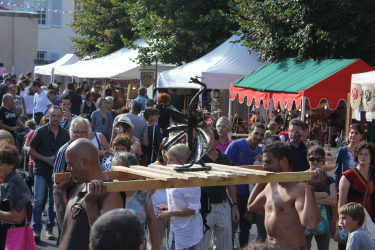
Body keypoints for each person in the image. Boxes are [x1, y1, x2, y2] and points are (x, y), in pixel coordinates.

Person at [248, 141, 327, 249]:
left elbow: (311, 225)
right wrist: (262, 179)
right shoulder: (271, 185)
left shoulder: (298, 188)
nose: (264, 166)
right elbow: (251, 206)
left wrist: (310, 188)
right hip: (271, 247)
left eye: (268, 162)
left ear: (284, 161)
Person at [54, 138, 125, 250]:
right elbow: (66, 226)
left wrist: (91, 204)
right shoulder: (79, 185)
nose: (68, 169)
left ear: (84, 163)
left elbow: (105, 242)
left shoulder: (111, 194)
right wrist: (58, 193)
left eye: (70, 164)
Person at [28, 106, 70, 241]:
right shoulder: (40, 131)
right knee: (39, 200)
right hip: (41, 170)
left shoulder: (65, 133)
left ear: (61, 117)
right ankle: (36, 230)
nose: (55, 118)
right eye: (53, 116)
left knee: (53, 201)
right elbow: (30, 149)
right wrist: (45, 158)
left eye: (58, 116)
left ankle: (49, 229)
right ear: (48, 116)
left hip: (57, 172)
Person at [198, 128, 240, 250]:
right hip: (204, 207)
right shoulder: (197, 159)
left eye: (209, 138)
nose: (206, 141)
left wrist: (235, 205)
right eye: (204, 138)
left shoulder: (224, 159)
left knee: (225, 245)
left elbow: (230, 183)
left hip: (223, 205)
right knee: (202, 245)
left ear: (217, 141)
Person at [225, 122, 265, 248]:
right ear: (250, 132)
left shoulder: (260, 150)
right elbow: (226, 167)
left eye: (262, 135)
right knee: (231, 229)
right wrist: (231, 188)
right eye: (256, 133)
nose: (259, 137)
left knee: (245, 229)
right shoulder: (237, 145)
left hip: (250, 196)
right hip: (235, 195)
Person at [157, 144, 203, 250]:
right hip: (177, 230)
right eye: (167, 159)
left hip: (187, 233)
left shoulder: (190, 181)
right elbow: (180, 201)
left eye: (171, 160)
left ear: (183, 161)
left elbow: (196, 209)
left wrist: (171, 212)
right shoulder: (174, 176)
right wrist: (168, 206)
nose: (167, 163)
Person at [113, 154, 160, 250]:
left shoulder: (143, 193)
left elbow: (151, 219)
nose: (117, 175)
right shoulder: (110, 193)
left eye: (121, 171)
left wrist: (155, 244)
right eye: (115, 171)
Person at [0, 142, 32, 249]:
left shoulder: (14, 182)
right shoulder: (8, 180)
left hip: (11, 239)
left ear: (11, 165)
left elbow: (18, 218)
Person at [304, 146, 337, 250]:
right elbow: (299, 197)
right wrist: (324, 194)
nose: (315, 161)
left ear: (324, 160)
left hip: (325, 221)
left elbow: (333, 201)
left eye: (318, 159)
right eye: (312, 158)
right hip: (305, 221)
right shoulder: (301, 177)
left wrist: (310, 197)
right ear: (308, 159)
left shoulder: (329, 179)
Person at [339, 142, 375, 221]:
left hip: (371, 219)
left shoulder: (373, 173)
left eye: (366, 154)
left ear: (371, 156)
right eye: (360, 154)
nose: (363, 157)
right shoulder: (348, 175)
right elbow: (342, 201)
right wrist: (341, 219)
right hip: (354, 219)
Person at [150, 139, 170, 248]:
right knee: (156, 244)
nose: (166, 152)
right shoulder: (153, 166)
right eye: (164, 148)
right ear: (161, 150)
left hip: (174, 212)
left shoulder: (179, 167)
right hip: (157, 212)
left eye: (170, 148)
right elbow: (149, 191)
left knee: (173, 245)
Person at [334, 124, 364, 189]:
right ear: (348, 134)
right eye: (352, 133)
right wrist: (337, 188)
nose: (353, 135)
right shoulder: (342, 151)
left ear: (361, 136)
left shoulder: (364, 152)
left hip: (360, 185)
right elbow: (337, 171)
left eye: (356, 133)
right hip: (345, 184)